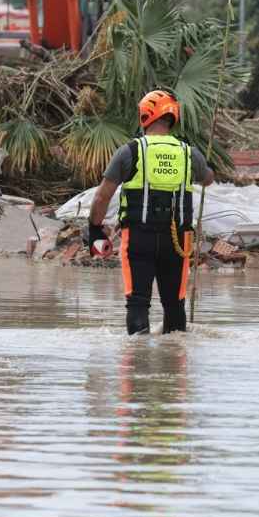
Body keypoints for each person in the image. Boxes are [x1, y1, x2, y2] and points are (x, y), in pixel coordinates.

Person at [86, 90, 213, 335]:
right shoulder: (189, 153)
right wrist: (208, 169)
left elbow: (103, 196)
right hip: (177, 243)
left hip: (138, 240)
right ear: (172, 117)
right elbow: (207, 179)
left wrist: (94, 228)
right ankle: (174, 365)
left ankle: (136, 364)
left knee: (137, 303)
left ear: (145, 115)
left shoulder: (130, 151)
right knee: (174, 305)